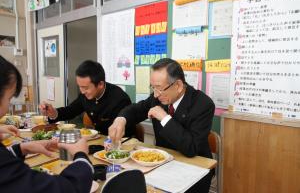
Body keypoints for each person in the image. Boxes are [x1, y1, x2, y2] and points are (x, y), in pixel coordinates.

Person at [109, 58, 215, 193]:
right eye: (153, 87)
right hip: (163, 164)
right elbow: (136, 109)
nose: (155, 94)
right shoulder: (158, 97)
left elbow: (191, 148)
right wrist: (121, 119)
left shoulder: (203, 104)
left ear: (178, 85)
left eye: (159, 88)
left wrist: (164, 118)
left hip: (194, 168)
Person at [0, 55, 94, 193]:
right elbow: (66, 189)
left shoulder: (118, 97)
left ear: (101, 84)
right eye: (9, 98)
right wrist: (81, 156)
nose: (8, 108)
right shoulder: (84, 95)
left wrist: (21, 149)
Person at [40, 60, 133, 136]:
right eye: (80, 86)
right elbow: (71, 110)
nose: (82, 91)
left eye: (85, 87)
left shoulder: (120, 99)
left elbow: (122, 134)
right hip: (99, 142)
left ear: (100, 84)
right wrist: (53, 113)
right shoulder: (86, 94)